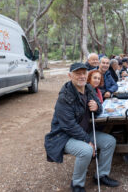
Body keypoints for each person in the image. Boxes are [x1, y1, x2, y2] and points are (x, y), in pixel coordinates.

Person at [44, 63, 119, 192]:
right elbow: (69, 126)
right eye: (77, 73)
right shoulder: (64, 97)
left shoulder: (88, 89)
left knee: (109, 141)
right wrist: (87, 141)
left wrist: (96, 107)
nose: (81, 76)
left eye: (84, 73)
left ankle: (101, 175)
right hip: (65, 136)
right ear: (70, 76)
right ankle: (77, 184)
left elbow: (99, 108)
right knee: (86, 150)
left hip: (84, 132)